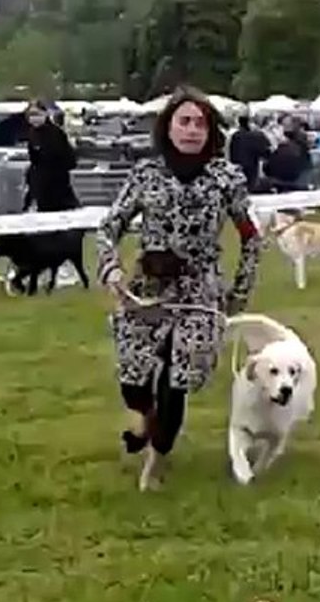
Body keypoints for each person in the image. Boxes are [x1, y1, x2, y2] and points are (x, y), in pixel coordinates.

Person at [96, 87, 262, 490]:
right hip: (146, 288)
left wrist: (238, 292)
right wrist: (111, 269)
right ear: (167, 126)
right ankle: (144, 418)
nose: (192, 130)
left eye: (200, 123)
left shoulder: (227, 179)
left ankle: (158, 457)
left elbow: (251, 236)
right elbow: (109, 226)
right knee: (134, 381)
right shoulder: (145, 175)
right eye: (184, 121)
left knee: (177, 378)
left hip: (199, 291)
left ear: (211, 131)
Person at [22, 99, 78, 212]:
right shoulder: (32, 133)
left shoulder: (55, 133)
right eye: (31, 115)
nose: (34, 118)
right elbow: (34, 159)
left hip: (57, 181)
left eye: (37, 114)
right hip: (41, 183)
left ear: (45, 114)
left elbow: (64, 156)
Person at [229, 115, 271, 190]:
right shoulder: (257, 135)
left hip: (238, 164)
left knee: (241, 185)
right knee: (251, 184)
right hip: (252, 165)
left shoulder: (236, 135)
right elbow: (266, 150)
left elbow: (232, 151)